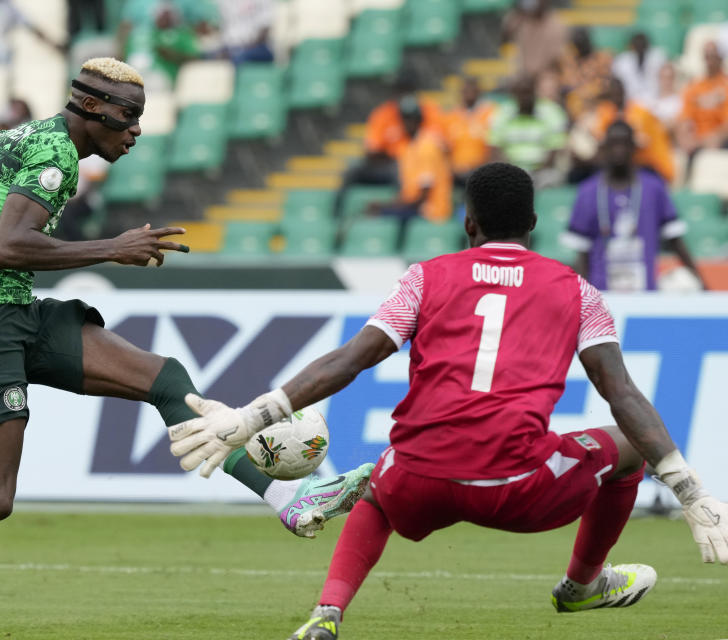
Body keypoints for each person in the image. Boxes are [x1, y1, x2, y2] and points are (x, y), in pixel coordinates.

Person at [0, 57, 373, 640]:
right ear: (91, 108)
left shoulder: (23, 136)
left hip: (11, 308)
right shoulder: (53, 154)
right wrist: (111, 247)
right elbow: (8, 248)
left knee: (164, 378)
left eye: (140, 117)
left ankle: (287, 498)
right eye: (128, 116)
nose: (136, 130)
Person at [167, 161, 728, 640]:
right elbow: (621, 393)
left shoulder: (424, 277)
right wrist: (686, 486)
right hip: (517, 488)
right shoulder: (576, 290)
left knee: (379, 493)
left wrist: (251, 417)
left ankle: (327, 613)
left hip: (419, 479)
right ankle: (583, 584)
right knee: (628, 448)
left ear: (468, 222)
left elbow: (349, 360)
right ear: (533, 224)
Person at [561, 120, 704, 292]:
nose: (619, 150)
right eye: (613, 144)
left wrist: (701, 282)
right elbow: (581, 253)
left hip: (644, 293)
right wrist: (584, 299)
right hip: (602, 292)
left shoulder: (654, 188)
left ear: (634, 147)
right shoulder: (588, 191)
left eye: (624, 143)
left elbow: (676, 241)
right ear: (604, 147)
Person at [366, 96, 452, 225]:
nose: (407, 123)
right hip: (416, 208)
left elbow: (422, 197)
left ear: (419, 120)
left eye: (412, 119)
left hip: (431, 212)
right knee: (373, 212)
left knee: (378, 214)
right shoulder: (408, 147)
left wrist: (387, 206)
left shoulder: (427, 146)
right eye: (404, 119)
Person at [488, 74, 567, 183]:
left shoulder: (551, 111)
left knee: (550, 177)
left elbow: (554, 150)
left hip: (542, 172)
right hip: (510, 171)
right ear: (514, 94)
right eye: (521, 93)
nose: (525, 97)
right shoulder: (502, 113)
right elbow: (495, 149)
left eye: (528, 92)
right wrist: (510, 171)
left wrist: (535, 172)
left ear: (535, 92)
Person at [441, 76, 495, 186]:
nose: (469, 94)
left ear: (478, 92)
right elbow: (446, 147)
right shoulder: (451, 116)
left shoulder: (490, 113)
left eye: (472, 91)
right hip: (456, 173)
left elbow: (493, 145)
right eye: (466, 91)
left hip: (482, 172)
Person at [676, 41, 728, 155]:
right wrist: (686, 137)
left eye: (713, 56)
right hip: (697, 139)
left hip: (718, 139)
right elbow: (685, 118)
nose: (710, 61)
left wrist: (709, 139)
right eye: (707, 56)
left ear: (720, 58)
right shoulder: (694, 86)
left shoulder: (725, 85)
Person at [501, 0, 567, 78]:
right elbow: (504, 38)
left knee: (547, 86)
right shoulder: (522, 19)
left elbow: (555, 59)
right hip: (522, 73)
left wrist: (533, 76)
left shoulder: (555, 24)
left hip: (545, 74)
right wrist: (519, 12)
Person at [612, 32, 666, 107]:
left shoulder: (657, 57)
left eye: (642, 45)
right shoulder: (622, 61)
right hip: (629, 104)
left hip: (655, 103)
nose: (640, 47)